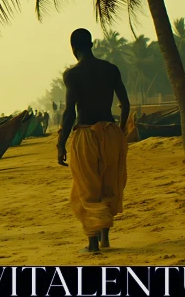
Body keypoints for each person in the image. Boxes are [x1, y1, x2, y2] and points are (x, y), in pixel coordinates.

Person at [57, 28, 130, 254]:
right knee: (108, 183)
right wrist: (120, 131)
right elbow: (125, 105)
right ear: (91, 44)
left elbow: (70, 111)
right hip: (110, 133)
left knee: (87, 189)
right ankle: (105, 238)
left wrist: (61, 143)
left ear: (73, 48)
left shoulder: (72, 74)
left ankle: (92, 243)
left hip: (86, 134)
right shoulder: (110, 69)